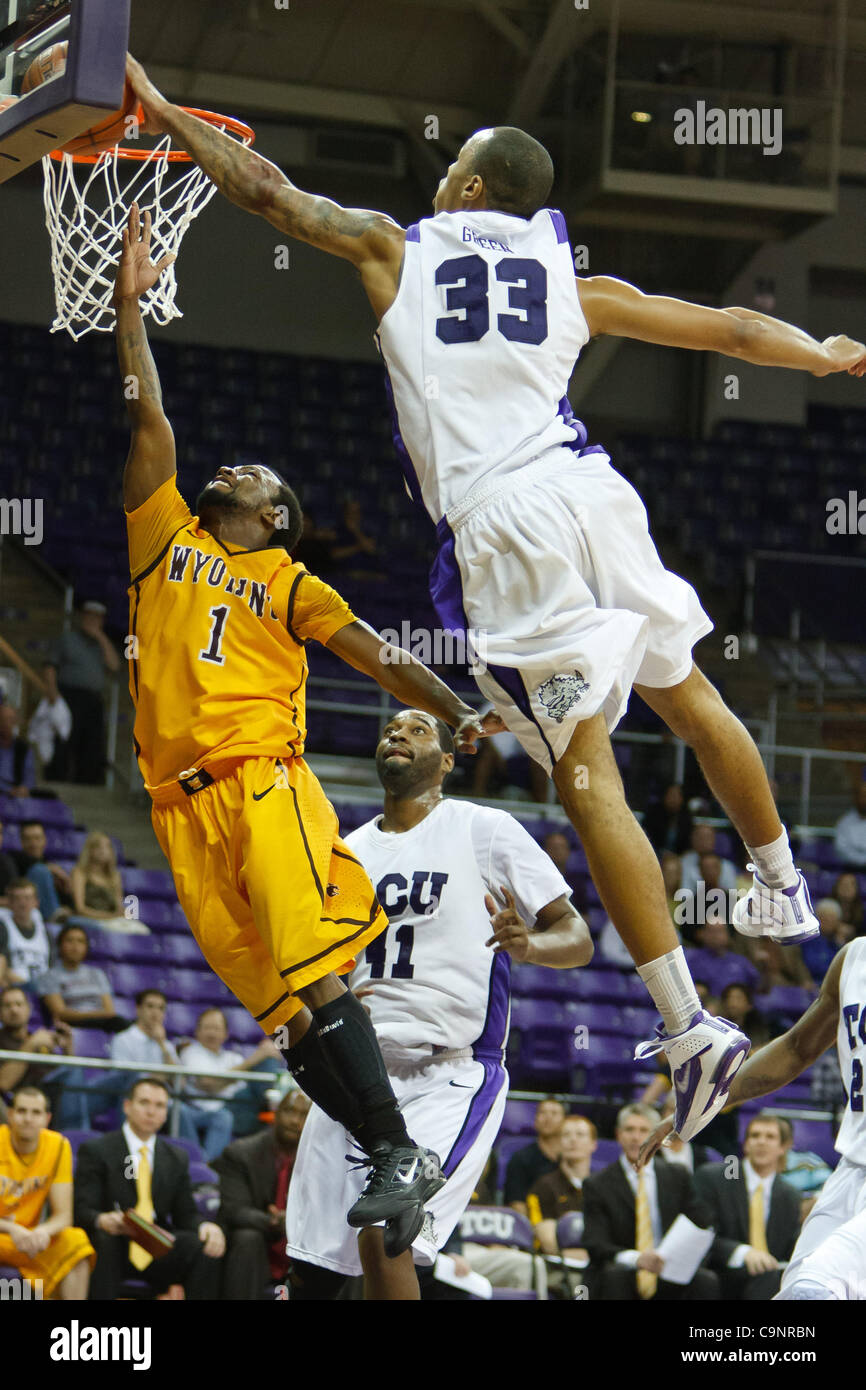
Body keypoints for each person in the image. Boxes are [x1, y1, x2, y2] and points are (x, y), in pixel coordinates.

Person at [126, 62, 866, 1143]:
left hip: (506, 526)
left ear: (472, 188)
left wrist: (160, 109)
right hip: (593, 490)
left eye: (453, 169)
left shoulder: (396, 246)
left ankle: (687, 1029)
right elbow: (725, 331)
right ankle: (779, 882)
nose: (441, 185)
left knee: (583, 771)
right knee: (689, 693)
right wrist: (825, 351)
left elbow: (270, 195)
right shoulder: (568, 278)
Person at [108, 204, 497, 1249]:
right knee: (279, 1014)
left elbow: (375, 651)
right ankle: (388, 1147)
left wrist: (456, 708)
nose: (231, 467)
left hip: (261, 779)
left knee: (314, 975)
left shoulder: (285, 577)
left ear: (275, 515)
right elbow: (148, 421)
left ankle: (393, 1145)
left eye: (256, 475)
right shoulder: (164, 538)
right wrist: (129, 309)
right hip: (175, 811)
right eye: (229, 467)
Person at [285, 708, 590, 1299]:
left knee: (387, 1231)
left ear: (447, 762)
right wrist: (339, 1003)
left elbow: (575, 936)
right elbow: (319, 968)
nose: (398, 733)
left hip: (446, 1072)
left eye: (419, 728)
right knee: (310, 1269)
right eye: (391, 728)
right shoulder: (344, 853)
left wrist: (529, 943)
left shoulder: (485, 828)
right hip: (357, 1070)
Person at [639, 934, 866, 1299]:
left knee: (812, 1290)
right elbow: (795, 1047)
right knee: (795, 1289)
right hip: (853, 1170)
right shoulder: (853, 958)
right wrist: (702, 1103)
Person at [73, 1076, 225, 1300]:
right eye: (144, 1103)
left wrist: (206, 1226)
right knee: (105, 1240)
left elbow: (186, 1215)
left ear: (166, 1113)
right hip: (115, 1244)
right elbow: (82, 1209)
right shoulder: (97, 1150)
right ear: (127, 1106)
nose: (151, 1111)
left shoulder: (176, 1158)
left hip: (156, 1246)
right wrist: (102, 1219)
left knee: (204, 1247)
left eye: (159, 1105)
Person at [582, 1103, 718, 1300]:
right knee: (614, 1276)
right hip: (624, 1267)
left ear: (659, 1136)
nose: (636, 1137)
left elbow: (702, 1220)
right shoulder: (597, 1184)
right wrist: (638, 1259)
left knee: (706, 1280)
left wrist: (677, 1256)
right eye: (629, 1130)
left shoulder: (677, 1175)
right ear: (618, 1134)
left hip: (669, 1266)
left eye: (644, 1130)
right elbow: (595, 1243)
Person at [214, 1089, 311, 1298]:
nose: (295, 1120)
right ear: (275, 1113)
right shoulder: (240, 1153)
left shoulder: (321, 1161)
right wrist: (276, 1222)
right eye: (289, 1111)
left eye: (303, 1115)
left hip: (302, 1247)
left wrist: (294, 1222)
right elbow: (234, 1210)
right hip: (257, 1245)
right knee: (247, 1238)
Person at [0, 1085, 95, 1299]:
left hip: (29, 1239)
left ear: (47, 1118)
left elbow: (64, 1216)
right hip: (4, 1233)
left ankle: (72, 1330)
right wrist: (12, 1229)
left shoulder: (58, 1145)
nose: (28, 1119)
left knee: (76, 1241)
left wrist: (42, 1232)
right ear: (10, 1114)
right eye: (22, 1111)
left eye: (36, 1113)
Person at [694, 1112, 802, 1300]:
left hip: (770, 1279)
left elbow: (791, 1248)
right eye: (755, 1135)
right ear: (745, 1145)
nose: (761, 1142)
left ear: (783, 1147)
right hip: (721, 1272)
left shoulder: (790, 1195)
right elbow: (701, 1234)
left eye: (770, 1137)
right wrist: (743, 1252)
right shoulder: (715, 1178)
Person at [178, 1008, 280, 1163]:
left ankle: (271, 1107)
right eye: (207, 1027)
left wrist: (265, 1054)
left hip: (241, 1109)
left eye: (217, 1028)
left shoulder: (233, 1058)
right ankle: (209, 1167)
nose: (212, 1033)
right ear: (197, 1032)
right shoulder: (192, 1053)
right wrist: (256, 1058)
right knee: (264, 1060)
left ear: (226, 1034)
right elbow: (209, 1084)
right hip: (208, 1110)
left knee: (268, 1061)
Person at [47, 602, 121, 785]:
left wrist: (100, 636)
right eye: (89, 617)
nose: (92, 621)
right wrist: (53, 693)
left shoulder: (102, 644)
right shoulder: (68, 639)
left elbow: (114, 665)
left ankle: (87, 782)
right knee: (65, 739)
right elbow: (50, 666)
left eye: (96, 618)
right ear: (82, 617)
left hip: (93, 699)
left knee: (91, 743)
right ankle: (58, 780)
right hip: (68, 696)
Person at [526, 1113, 596, 1260]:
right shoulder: (544, 1186)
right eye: (566, 1135)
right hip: (559, 1266)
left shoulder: (602, 1186)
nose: (573, 1140)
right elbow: (549, 1244)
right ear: (558, 1143)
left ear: (593, 1144)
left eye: (580, 1135)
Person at [36, 923, 118, 1029]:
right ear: (60, 945)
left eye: (80, 941)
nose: (75, 946)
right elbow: (60, 1013)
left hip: (103, 1024)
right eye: (69, 940)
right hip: (71, 1025)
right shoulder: (49, 977)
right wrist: (95, 1015)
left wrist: (90, 1015)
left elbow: (110, 1011)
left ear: (86, 947)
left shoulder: (97, 974)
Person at [68, 830, 149, 934]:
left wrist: (123, 914)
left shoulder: (115, 876)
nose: (103, 851)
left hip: (111, 919)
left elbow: (118, 906)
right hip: (90, 919)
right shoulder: (80, 872)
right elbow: (80, 909)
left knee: (142, 931)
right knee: (112, 929)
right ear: (90, 850)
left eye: (107, 847)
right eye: (98, 847)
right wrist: (109, 917)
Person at [504, 1098, 567, 1215]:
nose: (548, 1118)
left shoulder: (571, 1158)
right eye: (542, 1113)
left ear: (565, 1121)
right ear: (535, 1121)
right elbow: (517, 1204)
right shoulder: (520, 1158)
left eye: (554, 1113)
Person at [684, 914, 760, 999]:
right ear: (702, 934)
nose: (715, 936)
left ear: (727, 935)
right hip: (705, 1006)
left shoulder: (740, 962)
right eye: (711, 931)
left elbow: (756, 987)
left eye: (719, 931)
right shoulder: (691, 959)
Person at [11, 820, 69, 924]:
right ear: (21, 841)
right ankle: (53, 915)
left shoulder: (50, 865)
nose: (33, 843)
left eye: (37, 838)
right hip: (31, 913)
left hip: (60, 915)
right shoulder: (14, 858)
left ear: (44, 840)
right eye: (28, 839)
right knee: (39, 870)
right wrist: (50, 868)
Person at [0, 879, 52, 987]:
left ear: (36, 902)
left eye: (27, 898)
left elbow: (52, 966)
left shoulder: (45, 932)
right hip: (17, 987)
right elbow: (3, 969)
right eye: (17, 898)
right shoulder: (3, 928)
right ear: (8, 902)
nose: (22, 903)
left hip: (45, 988)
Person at [27, 664, 72, 779]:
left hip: (47, 762)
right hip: (30, 755)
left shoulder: (61, 707)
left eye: (50, 679)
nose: (47, 682)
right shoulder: (40, 703)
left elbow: (64, 734)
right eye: (44, 678)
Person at [643, 783, 693, 855]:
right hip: (653, 853)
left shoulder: (686, 818)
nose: (673, 799)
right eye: (671, 795)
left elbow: (687, 843)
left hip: (678, 856)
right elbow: (648, 837)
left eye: (677, 796)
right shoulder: (653, 814)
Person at [0, 702, 36, 798]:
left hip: (17, 796)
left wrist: (24, 788)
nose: (7, 724)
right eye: (3, 720)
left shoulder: (23, 748)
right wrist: (7, 790)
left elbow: (30, 777)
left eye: (11, 720)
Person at [833, 782, 866, 869]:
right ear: (856, 798)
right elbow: (842, 850)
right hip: (852, 869)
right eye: (862, 796)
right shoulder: (845, 822)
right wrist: (863, 861)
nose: (864, 800)